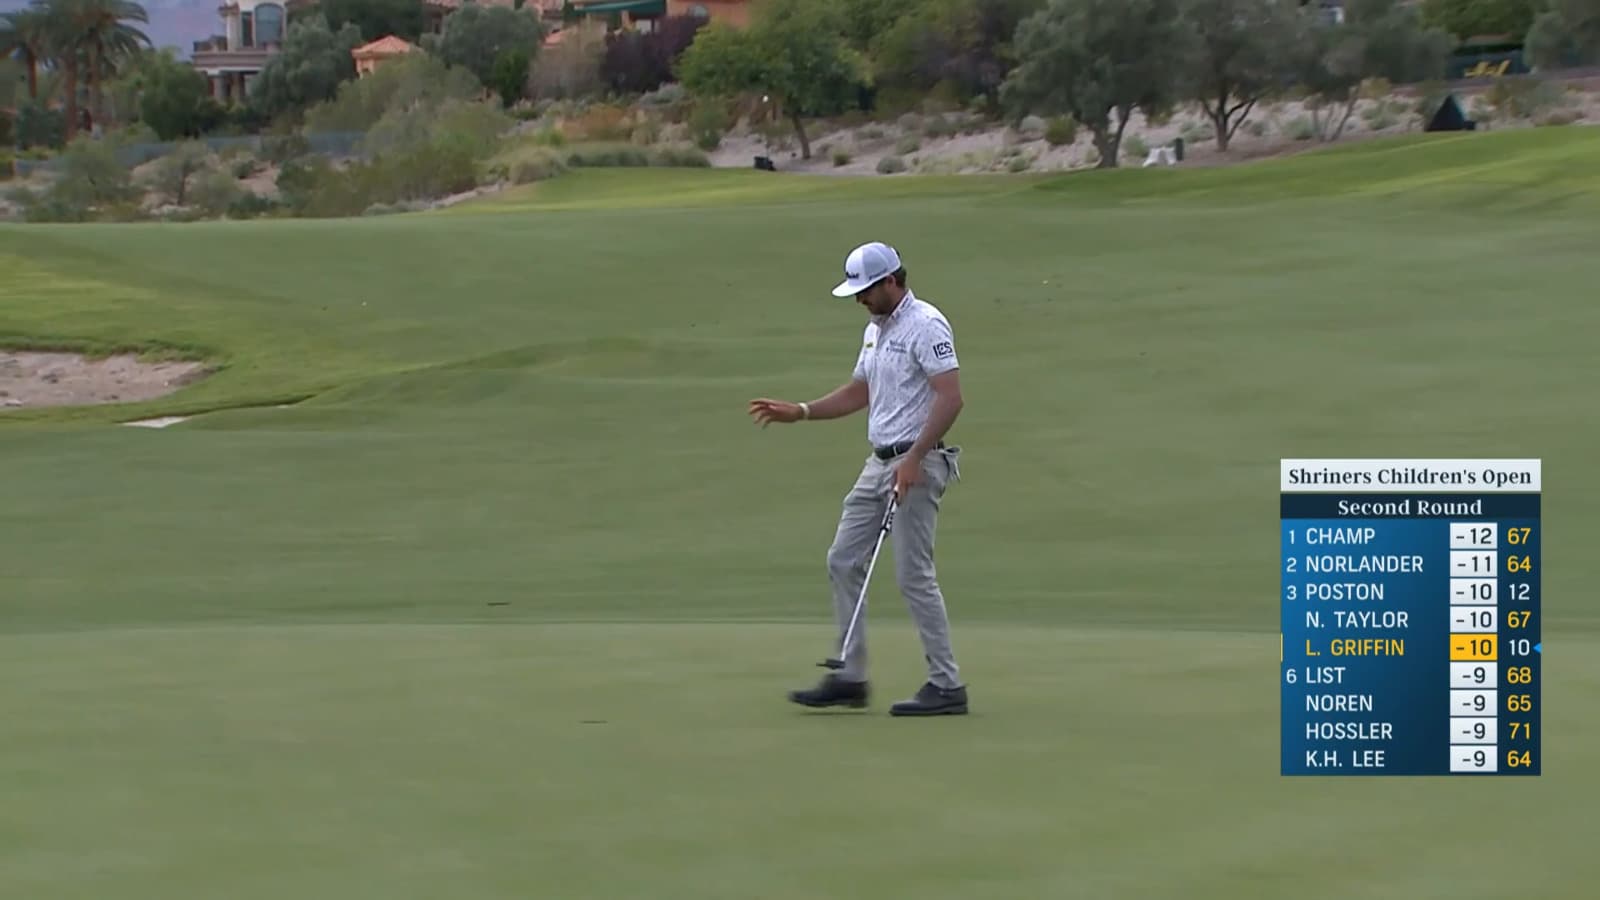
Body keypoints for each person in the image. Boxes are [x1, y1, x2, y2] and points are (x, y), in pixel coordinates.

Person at [748, 241, 970, 716]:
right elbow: (859, 392)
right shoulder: (876, 329)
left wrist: (913, 460)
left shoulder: (926, 324)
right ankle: (851, 676)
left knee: (913, 575)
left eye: (866, 291)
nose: (860, 301)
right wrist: (802, 412)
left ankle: (947, 684)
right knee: (843, 559)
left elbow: (950, 398)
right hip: (878, 464)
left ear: (891, 281)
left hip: (918, 463)